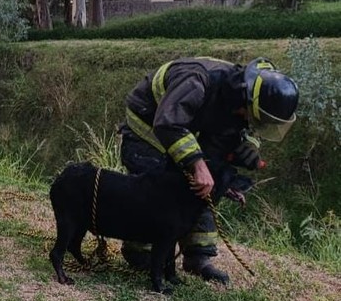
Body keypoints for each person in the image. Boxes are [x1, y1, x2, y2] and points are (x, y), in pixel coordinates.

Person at [118, 57, 299, 284]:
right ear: (247, 100)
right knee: (154, 187)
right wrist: (196, 163)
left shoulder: (242, 97)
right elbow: (167, 124)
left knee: (207, 181)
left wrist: (248, 146)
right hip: (151, 124)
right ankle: (139, 250)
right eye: (251, 115)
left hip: (187, 127)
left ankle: (198, 256)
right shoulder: (196, 80)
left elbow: (243, 127)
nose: (250, 119)